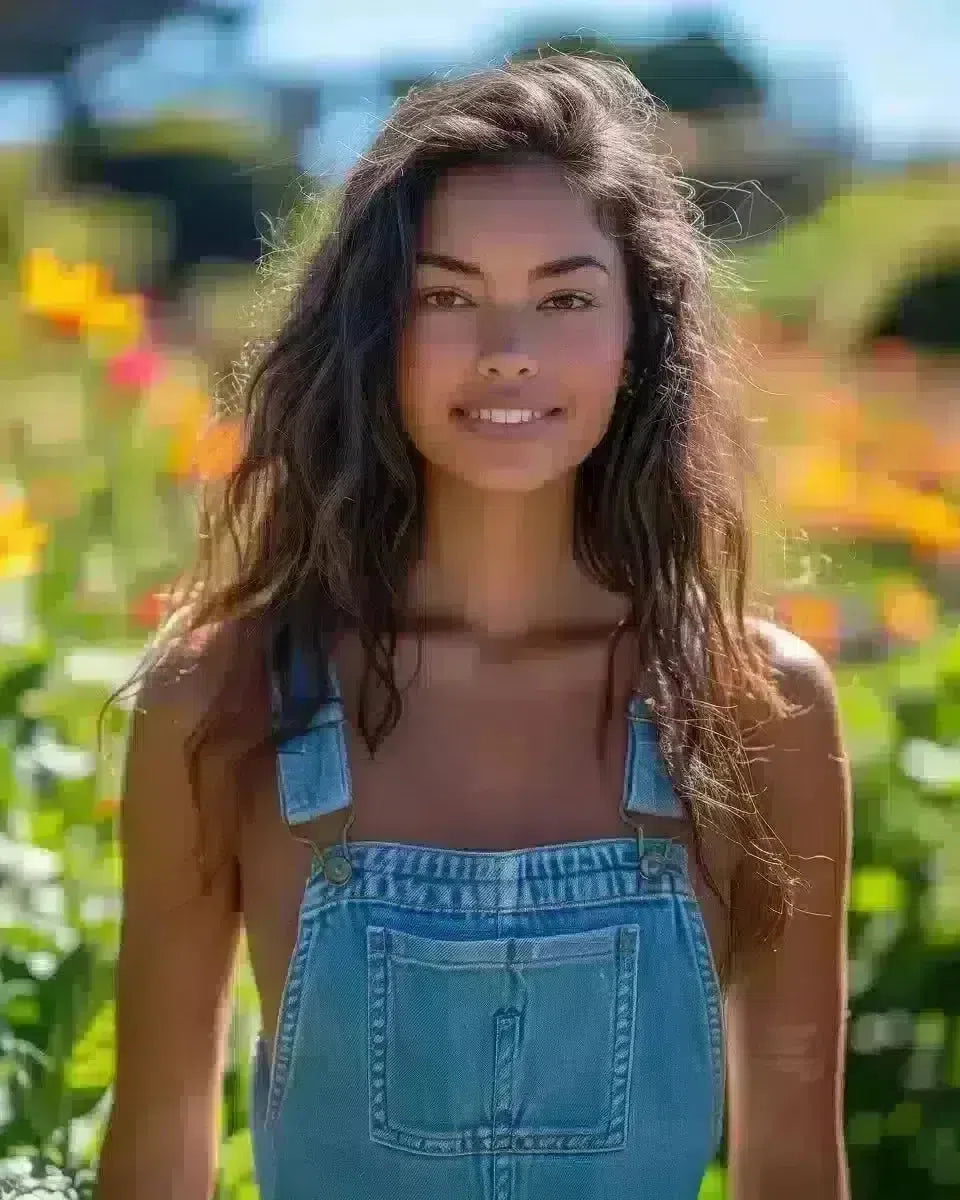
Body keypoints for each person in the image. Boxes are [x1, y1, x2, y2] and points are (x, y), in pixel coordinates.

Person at [95, 54, 852, 1200]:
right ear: (373, 332)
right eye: (445, 295)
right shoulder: (224, 696)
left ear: (640, 336)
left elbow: (793, 1167)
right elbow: (155, 1158)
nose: (508, 346)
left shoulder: (760, 705)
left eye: (565, 297)